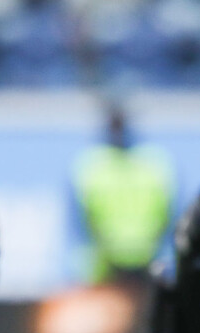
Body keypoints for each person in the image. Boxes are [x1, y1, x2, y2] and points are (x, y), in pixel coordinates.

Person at [72, 104, 175, 284]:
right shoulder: (92, 166)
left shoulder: (154, 164)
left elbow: (167, 215)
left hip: (144, 260)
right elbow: (84, 220)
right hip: (109, 264)